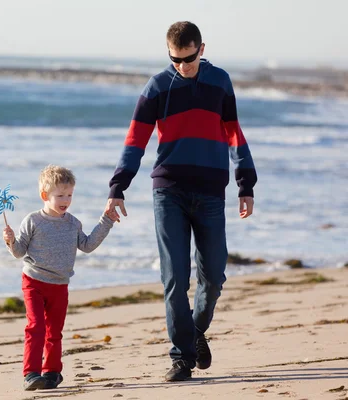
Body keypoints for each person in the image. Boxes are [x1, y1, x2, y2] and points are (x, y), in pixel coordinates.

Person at [104, 21, 257, 382]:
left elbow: (234, 131)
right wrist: (117, 186)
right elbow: (135, 140)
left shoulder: (220, 81)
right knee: (175, 277)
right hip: (168, 190)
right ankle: (181, 357)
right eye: (175, 60)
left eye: (187, 59)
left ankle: (195, 331)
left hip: (209, 192)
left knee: (214, 276)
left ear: (201, 49)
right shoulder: (157, 85)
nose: (182, 67)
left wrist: (245, 182)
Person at [3, 164, 115, 390]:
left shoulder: (73, 222)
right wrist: (10, 240)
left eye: (70, 194)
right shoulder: (33, 220)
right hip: (33, 281)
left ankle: (52, 372)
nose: (66, 199)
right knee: (36, 327)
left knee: (54, 331)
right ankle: (31, 374)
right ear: (45, 195)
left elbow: (88, 245)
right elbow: (18, 252)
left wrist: (106, 221)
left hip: (60, 284)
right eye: (60, 195)